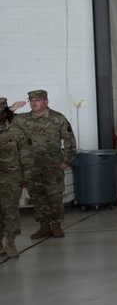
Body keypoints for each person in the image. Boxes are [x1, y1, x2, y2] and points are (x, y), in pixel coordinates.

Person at [18, 90, 76, 239]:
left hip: (53, 166)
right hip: (32, 166)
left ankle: (56, 225)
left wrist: (66, 160)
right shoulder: (23, 119)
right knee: (37, 198)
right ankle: (44, 226)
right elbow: (4, 120)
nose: (34, 103)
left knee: (54, 197)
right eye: (31, 100)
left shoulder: (57, 118)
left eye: (37, 100)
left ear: (46, 102)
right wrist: (13, 108)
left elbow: (69, 140)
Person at [0, 98, 30, 258]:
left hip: (11, 180)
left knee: (10, 212)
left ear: (5, 113)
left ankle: (10, 243)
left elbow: (26, 156)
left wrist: (26, 176)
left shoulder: (16, 132)